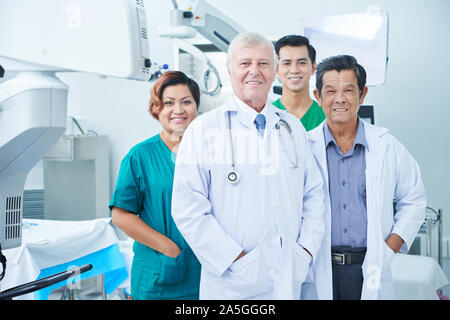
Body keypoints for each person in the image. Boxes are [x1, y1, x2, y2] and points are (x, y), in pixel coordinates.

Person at [171, 32, 325, 300]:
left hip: (288, 276)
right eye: (245, 64)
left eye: (263, 64)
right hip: (231, 282)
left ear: (274, 71)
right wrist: (236, 259)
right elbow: (187, 208)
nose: (254, 71)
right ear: (230, 71)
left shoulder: (292, 127)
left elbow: (313, 195)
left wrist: (305, 252)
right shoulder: (204, 130)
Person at [305, 55, 426, 300]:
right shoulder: (303, 147)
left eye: (349, 90)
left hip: (369, 265)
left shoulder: (387, 147)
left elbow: (414, 200)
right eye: (330, 91)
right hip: (318, 267)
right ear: (318, 97)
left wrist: (387, 249)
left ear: (362, 94)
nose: (339, 99)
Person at [109, 71, 201, 300]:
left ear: (196, 107)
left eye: (186, 102)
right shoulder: (140, 156)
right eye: (169, 103)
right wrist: (169, 249)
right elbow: (121, 215)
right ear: (156, 109)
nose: (178, 110)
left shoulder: (211, 152)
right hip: (158, 276)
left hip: (206, 273)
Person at [273, 35, 325, 131]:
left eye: (301, 63)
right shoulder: (266, 115)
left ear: (313, 68)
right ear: (276, 69)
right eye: (287, 63)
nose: (294, 70)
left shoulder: (326, 117)